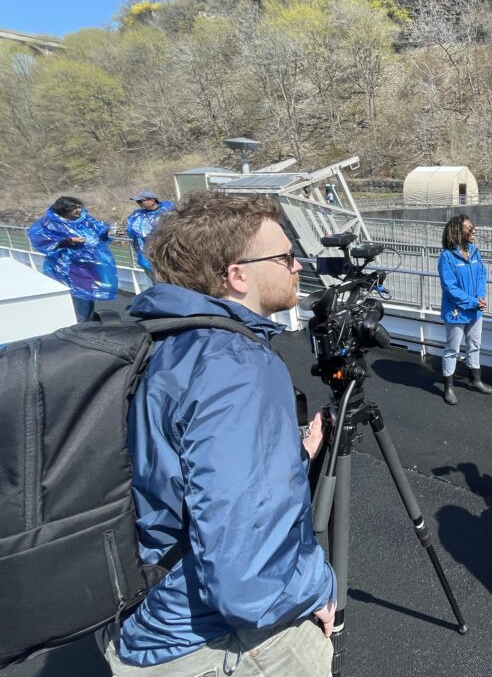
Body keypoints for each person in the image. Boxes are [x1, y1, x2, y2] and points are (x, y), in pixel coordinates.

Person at [103, 192, 336, 676]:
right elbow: (244, 575)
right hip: (213, 641)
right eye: (286, 256)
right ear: (237, 275)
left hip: (142, 610)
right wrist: (315, 588)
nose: (297, 267)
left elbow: (178, 472)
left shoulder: (165, 340)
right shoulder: (235, 365)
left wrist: (290, 455)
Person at [27, 196, 118, 322]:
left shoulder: (85, 219)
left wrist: (108, 231)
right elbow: (40, 240)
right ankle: (76, 323)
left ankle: (85, 321)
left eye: (80, 207)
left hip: (88, 264)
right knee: (71, 295)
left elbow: (99, 232)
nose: (79, 210)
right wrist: (67, 241)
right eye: (75, 208)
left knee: (87, 293)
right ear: (64, 209)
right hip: (64, 266)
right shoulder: (47, 222)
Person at [438, 214, 492, 404]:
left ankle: (475, 380)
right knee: (452, 348)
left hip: (475, 309)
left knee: (474, 345)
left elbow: (481, 276)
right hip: (457, 311)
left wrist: (480, 298)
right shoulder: (447, 257)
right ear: (458, 231)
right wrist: (472, 301)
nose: (474, 230)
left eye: (473, 226)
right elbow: (449, 287)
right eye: (469, 227)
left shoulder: (475, 252)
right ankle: (448, 387)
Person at [125, 190, 174, 279]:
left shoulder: (168, 211)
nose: (139, 203)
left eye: (141, 201)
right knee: (156, 282)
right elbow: (130, 232)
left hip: (166, 254)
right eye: (137, 201)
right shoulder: (137, 215)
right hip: (146, 256)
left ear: (152, 200)